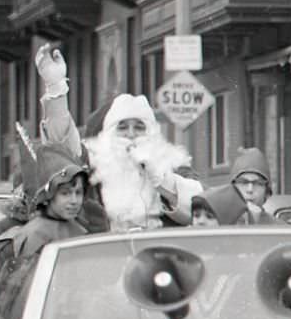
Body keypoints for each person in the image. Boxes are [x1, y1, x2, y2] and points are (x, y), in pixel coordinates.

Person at [35, 44, 202, 231]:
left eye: (139, 127)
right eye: (122, 128)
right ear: (107, 134)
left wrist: (162, 179)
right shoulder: (93, 166)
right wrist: (56, 87)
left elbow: (200, 207)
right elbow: (61, 143)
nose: (131, 135)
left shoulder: (174, 165)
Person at [0, 142, 89, 319]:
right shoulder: (19, 238)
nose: (74, 200)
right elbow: (1, 303)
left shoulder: (83, 233)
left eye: (78, 193)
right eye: (65, 193)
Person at [229, 147, 277, 224]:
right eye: (243, 182)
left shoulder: (280, 230)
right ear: (232, 188)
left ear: (267, 192)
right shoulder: (219, 227)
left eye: (257, 183)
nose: (250, 189)